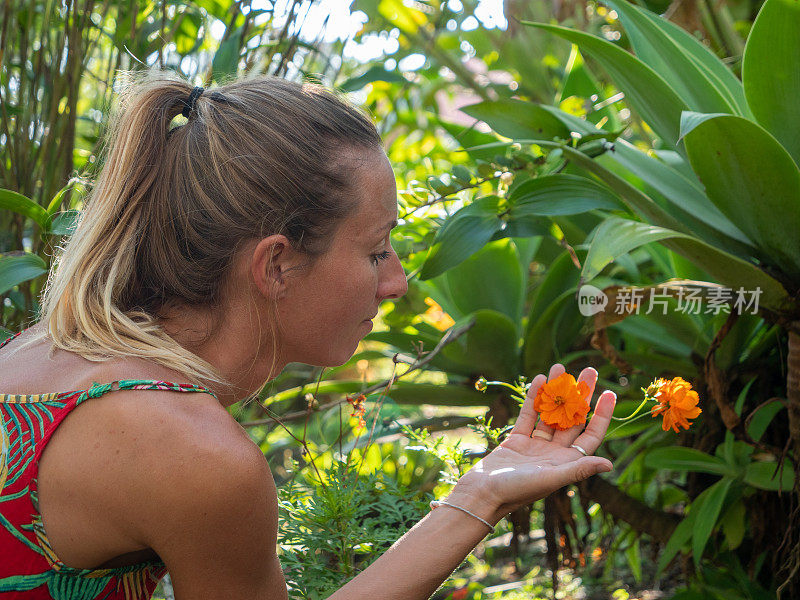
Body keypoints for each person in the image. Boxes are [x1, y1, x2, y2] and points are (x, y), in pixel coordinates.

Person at [0, 71, 617, 600]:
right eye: (377, 251)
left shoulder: (42, 355)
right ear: (276, 265)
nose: (398, 281)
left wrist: (480, 494)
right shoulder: (190, 452)